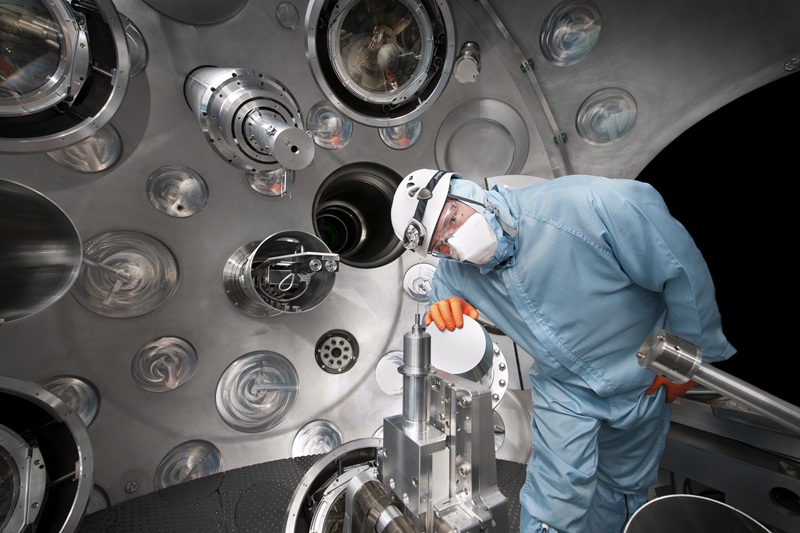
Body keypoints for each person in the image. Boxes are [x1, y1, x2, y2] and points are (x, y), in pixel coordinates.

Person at [390, 169, 736, 533]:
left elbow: (680, 269)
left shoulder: (587, 205)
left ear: (471, 194)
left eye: (453, 220)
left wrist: (686, 360)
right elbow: (442, 305)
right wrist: (442, 316)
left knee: (622, 487)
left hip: (643, 377)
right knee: (552, 505)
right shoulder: (456, 271)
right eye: (440, 245)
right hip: (565, 391)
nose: (456, 246)